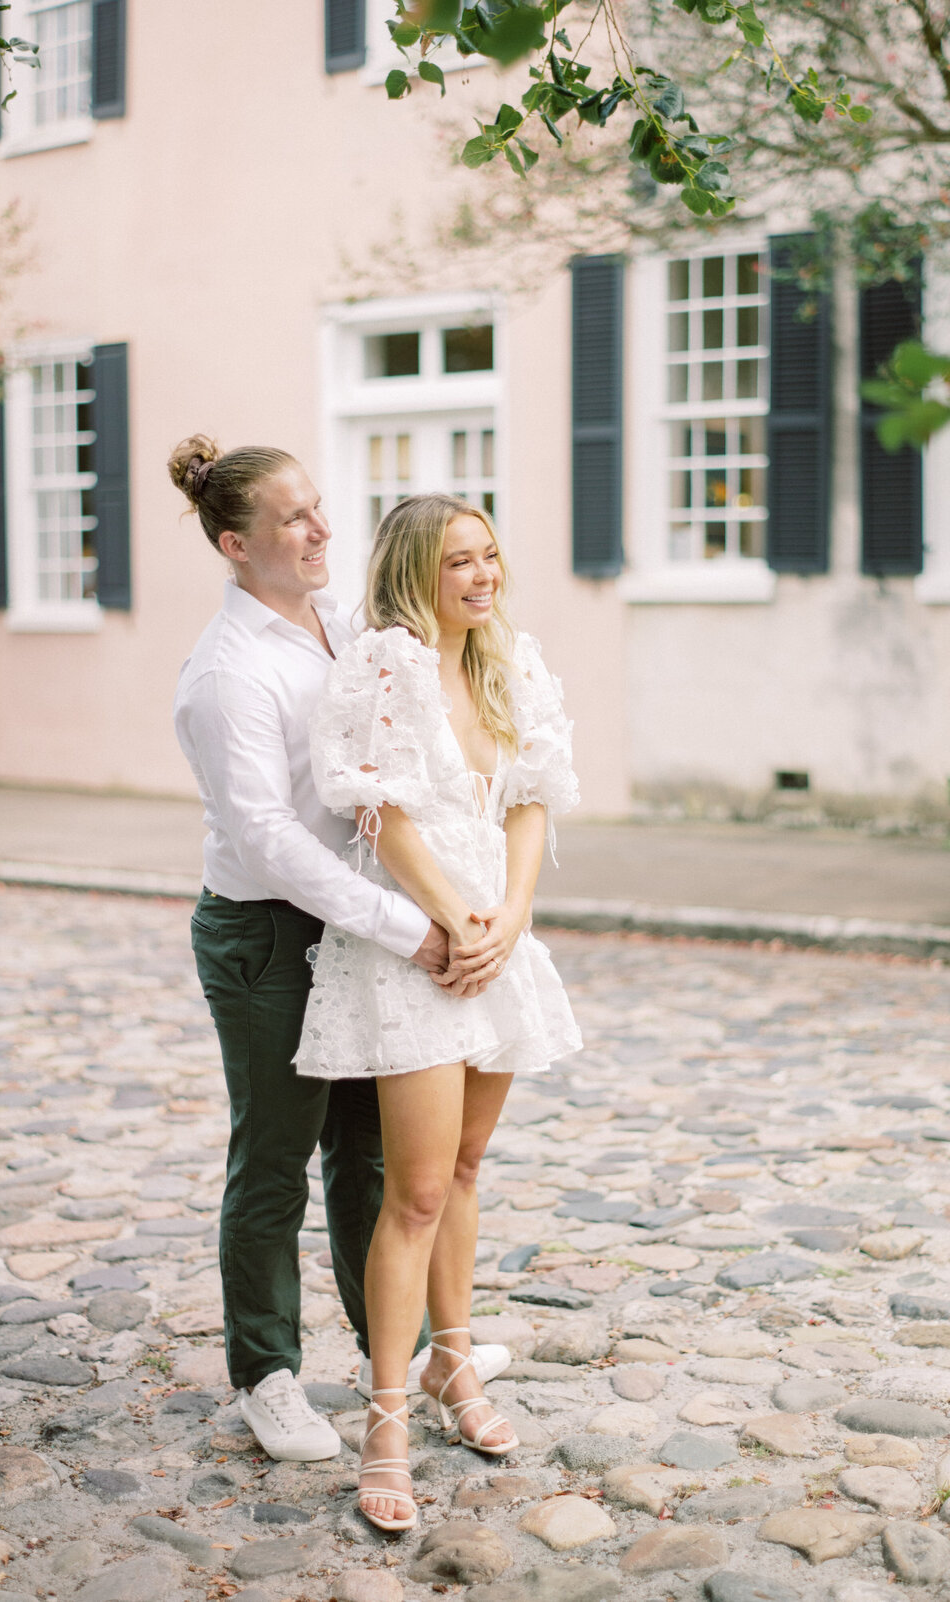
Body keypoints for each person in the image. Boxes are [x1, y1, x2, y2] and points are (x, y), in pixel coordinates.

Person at [169, 440, 507, 1464]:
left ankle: (392, 1353)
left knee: (372, 1154)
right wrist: (414, 929)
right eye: (292, 519)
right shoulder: (226, 675)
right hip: (272, 936)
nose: (321, 530)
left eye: (318, 508)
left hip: (370, 923)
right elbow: (270, 841)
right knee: (276, 1158)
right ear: (236, 545)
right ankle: (266, 1374)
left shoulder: (350, 628)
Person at [295, 492, 583, 1531]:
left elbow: (532, 798)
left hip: (495, 939)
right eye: (459, 560)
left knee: (464, 1168)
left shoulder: (513, 662)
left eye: (489, 555)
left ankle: (454, 1365)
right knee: (413, 1192)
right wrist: (455, 921)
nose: (482, 575)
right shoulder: (383, 665)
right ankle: (386, 1420)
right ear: (417, 569)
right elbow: (379, 812)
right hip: (417, 948)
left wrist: (511, 915)